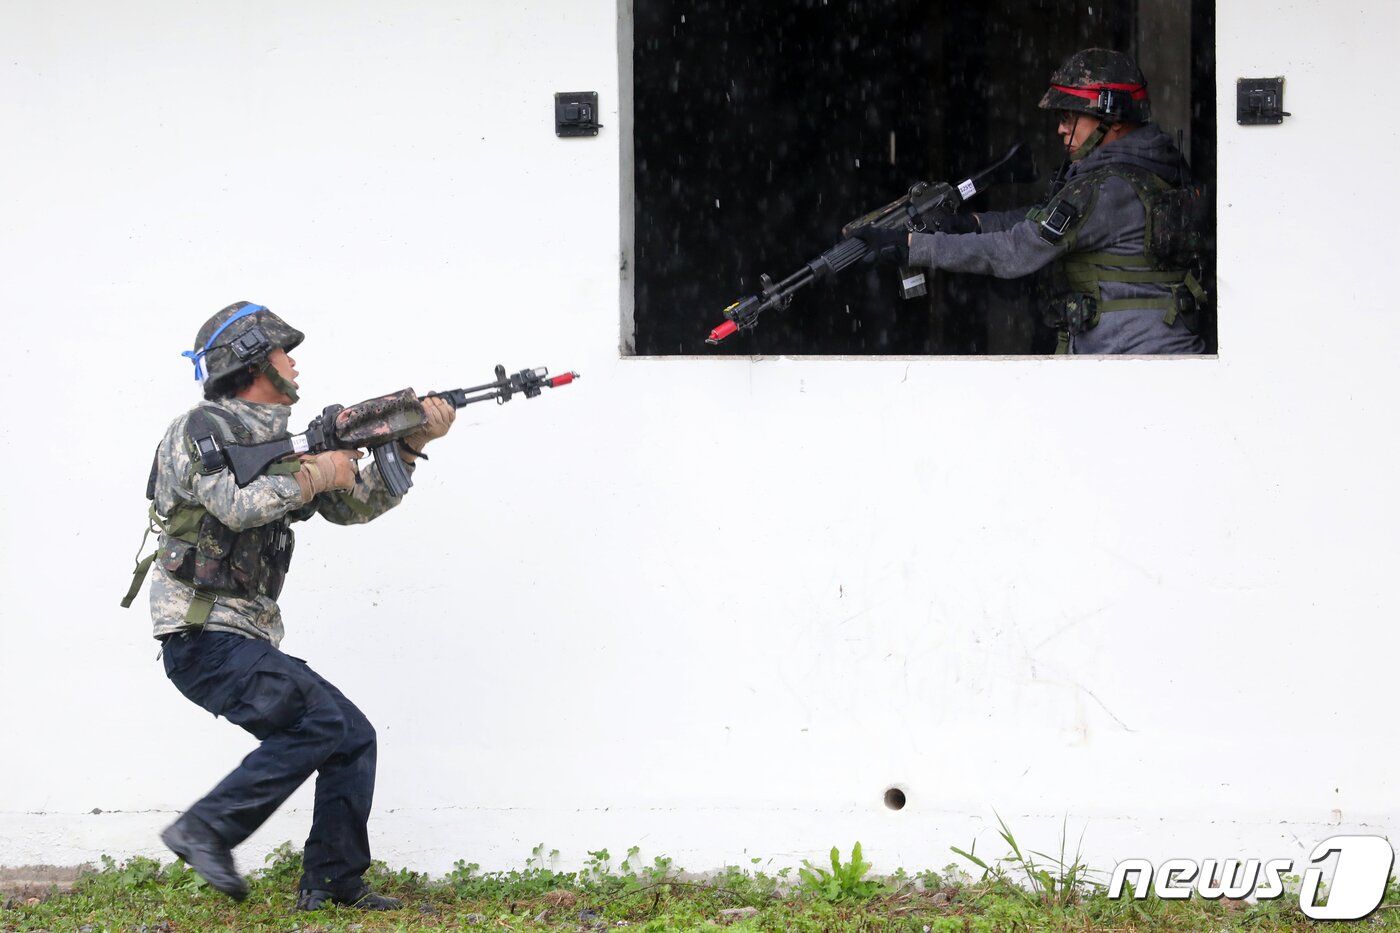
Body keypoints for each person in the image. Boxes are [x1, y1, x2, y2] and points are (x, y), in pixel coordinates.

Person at [136, 301, 455, 910]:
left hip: (243, 639)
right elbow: (235, 506)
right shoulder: (201, 428)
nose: (295, 363)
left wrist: (411, 443)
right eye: (285, 352)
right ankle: (206, 829)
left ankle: (332, 882)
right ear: (255, 362)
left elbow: (352, 507)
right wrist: (316, 473)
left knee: (350, 736)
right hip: (202, 636)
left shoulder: (282, 443)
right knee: (320, 723)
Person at [855, 49, 1207, 354]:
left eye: (1069, 117)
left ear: (1111, 119)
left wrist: (914, 246)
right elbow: (1045, 219)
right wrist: (970, 224)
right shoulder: (1152, 169)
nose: (1061, 129)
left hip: (1130, 366)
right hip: (1160, 356)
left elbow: (1017, 251)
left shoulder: (1104, 189)